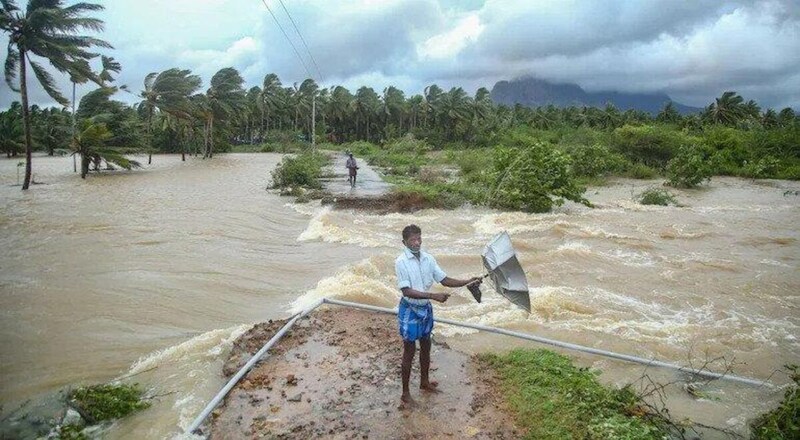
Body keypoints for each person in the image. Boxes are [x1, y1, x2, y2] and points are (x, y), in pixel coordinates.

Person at [394, 224, 482, 407]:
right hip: (410, 309)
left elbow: (444, 280)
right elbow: (407, 291)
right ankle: (405, 394)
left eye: (419, 238)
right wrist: (433, 296)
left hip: (425, 308)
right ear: (404, 242)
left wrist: (468, 281)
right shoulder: (401, 262)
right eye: (412, 240)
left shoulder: (428, 259)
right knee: (409, 352)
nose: (417, 243)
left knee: (426, 346)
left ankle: (424, 382)